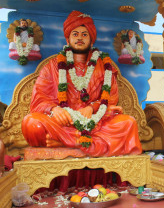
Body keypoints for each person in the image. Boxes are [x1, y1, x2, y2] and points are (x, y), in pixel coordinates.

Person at [21, 11, 142, 157]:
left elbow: (111, 97)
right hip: (64, 123)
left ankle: (67, 143)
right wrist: (55, 110)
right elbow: (39, 98)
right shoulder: (52, 66)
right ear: (68, 39)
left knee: (128, 123)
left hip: (96, 122)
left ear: (91, 40)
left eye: (84, 34)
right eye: (75, 34)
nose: (79, 38)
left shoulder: (105, 65)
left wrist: (92, 107)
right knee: (31, 123)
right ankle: (82, 142)